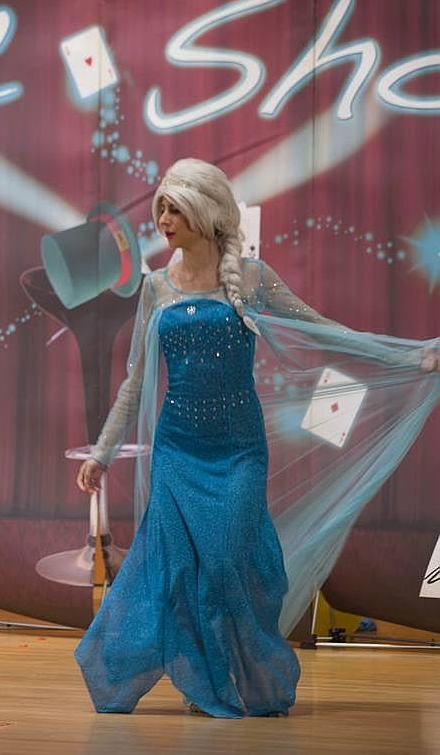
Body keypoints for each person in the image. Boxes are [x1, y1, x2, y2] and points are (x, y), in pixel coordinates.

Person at [74, 158, 437, 718]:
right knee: (179, 569)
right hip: (178, 450)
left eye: (175, 207)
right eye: (161, 209)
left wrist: (408, 355)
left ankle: (230, 678)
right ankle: (208, 683)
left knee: (225, 564)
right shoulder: (154, 287)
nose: (165, 219)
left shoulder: (253, 277)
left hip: (238, 448)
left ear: (206, 209)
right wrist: (101, 453)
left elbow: (321, 330)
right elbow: (134, 383)